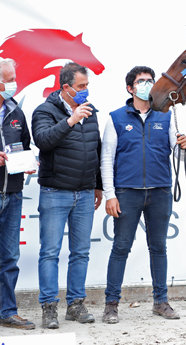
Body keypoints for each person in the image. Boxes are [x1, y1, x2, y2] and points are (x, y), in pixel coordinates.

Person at [101, 66, 186, 324]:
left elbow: (178, 155)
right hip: (127, 193)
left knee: (158, 248)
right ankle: (111, 304)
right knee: (120, 248)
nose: (147, 85)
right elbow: (106, 160)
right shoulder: (115, 118)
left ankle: (161, 302)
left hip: (160, 191)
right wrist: (109, 194)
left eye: (150, 80)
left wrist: (184, 146)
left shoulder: (166, 115)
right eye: (141, 81)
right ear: (130, 88)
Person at [31, 62, 103, 329]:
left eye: (87, 86)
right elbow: (43, 140)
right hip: (55, 192)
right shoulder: (44, 110)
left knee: (81, 252)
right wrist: (71, 120)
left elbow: (96, 150)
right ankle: (49, 307)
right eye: (81, 87)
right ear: (66, 88)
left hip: (84, 193)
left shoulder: (91, 112)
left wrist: (98, 186)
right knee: (50, 252)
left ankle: (75, 304)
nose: (86, 91)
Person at [0, 58, 36, 330]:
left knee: (9, 257)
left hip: (12, 193)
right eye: (9, 79)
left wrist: (28, 163)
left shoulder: (16, 112)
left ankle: (7, 312)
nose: (14, 84)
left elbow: (23, 146)